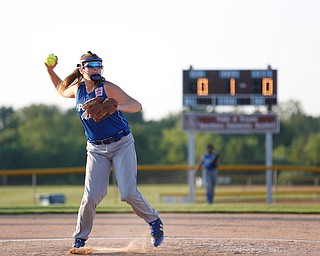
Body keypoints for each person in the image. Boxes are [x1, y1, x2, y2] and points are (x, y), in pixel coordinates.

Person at [45, 51, 164, 248]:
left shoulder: (106, 87)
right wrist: (49, 70)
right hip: (95, 149)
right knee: (90, 197)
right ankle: (80, 239)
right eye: (91, 65)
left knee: (127, 193)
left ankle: (154, 221)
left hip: (121, 144)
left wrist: (116, 106)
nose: (96, 69)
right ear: (81, 69)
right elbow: (60, 89)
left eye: (98, 65)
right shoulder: (78, 90)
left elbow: (137, 105)